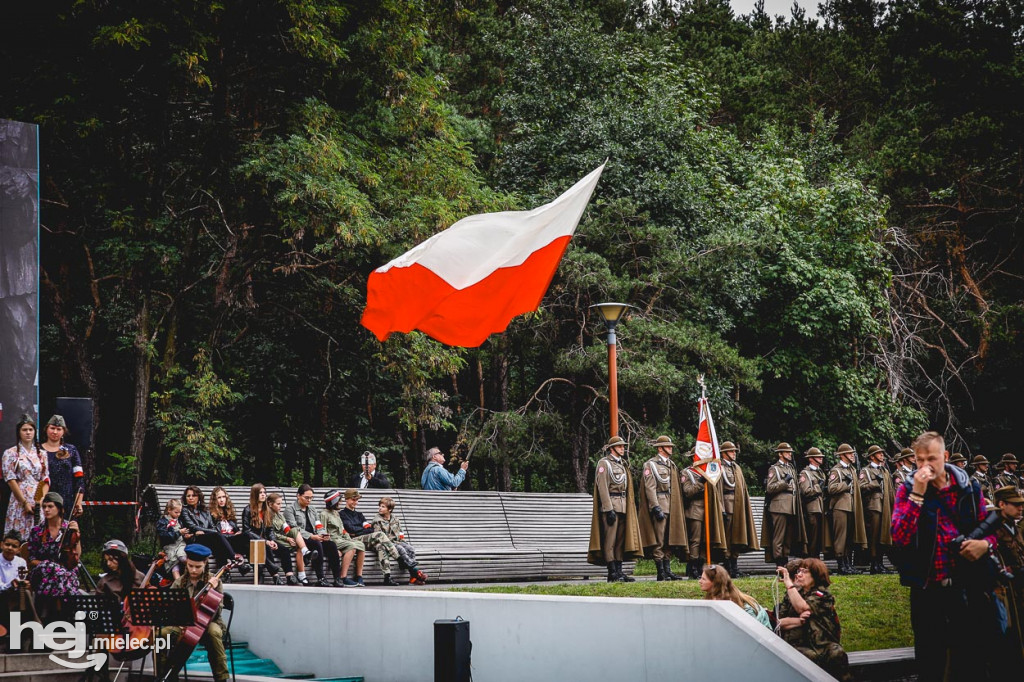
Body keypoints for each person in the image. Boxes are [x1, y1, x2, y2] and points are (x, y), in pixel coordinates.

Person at [890, 431, 997, 682]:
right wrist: (917, 493)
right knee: (930, 660)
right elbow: (900, 537)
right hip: (927, 587)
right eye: (919, 460)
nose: (925, 466)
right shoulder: (907, 490)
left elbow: (990, 529)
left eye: (932, 459)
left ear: (945, 456)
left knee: (970, 658)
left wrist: (985, 544)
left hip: (965, 586)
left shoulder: (969, 488)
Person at [159, 544, 229, 682]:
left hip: (209, 623)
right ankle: (166, 675)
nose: (193, 570)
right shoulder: (180, 582)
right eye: (190, 566)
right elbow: (171, 608)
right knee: (162, 635)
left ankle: (221, 678)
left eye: (198, 567)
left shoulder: (214, 581)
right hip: (184, 624)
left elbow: (217, 612)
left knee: (214, 633)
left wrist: (211, 591)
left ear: (205, 564)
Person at [776, 559, 852, 682]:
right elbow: (778, 623)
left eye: (804, 571)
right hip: (797, 644)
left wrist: (789, 585)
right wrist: (798, 621)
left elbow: (802, 607)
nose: (798, 574)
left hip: (822, 644)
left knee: (837, 653)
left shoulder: (822, 595)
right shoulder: (792, 594)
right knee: (806, 657)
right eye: (798, 571)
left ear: (816, 575)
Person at [586, 436, 642, 582]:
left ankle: (619, 570)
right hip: (611, 506)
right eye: (619, 446)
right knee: (610, 541)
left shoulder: (622, 464)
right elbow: (602, 487)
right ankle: (611, 572)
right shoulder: (604, 464)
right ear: (612, 449)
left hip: (622, 506)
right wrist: (608, 508)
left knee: (620, 541)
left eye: (623, 446)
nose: (623, 448)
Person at [25, 492, 80, 623]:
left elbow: (76, 555)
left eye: (50, 506)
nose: (46, 510)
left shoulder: (68, 528)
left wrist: (77, 534)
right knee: (54, 570)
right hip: (42, 570)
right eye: (44, 507)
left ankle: (51, 616)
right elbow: (31, 558)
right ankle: (61, 616)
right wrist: (49, 565)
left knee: (62, 574)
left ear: (60, 508)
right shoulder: (37, 530)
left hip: (64, 571)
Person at [637, 435, 685, 581]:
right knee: (659, 539)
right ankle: (660, 571)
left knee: (670, 539)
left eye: (670, 446)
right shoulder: (651, 465)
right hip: (661, 504)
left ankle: (668, 569)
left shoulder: (672, 465)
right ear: (660, 448)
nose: (670, 448)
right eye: (667, 446)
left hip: (673, 505)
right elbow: (649, 488)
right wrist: (655, 507)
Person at [179, 486, 251, 577]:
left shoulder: (205, 511)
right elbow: (192, 527)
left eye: (193, 495)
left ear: (198, 497)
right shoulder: (185, 510)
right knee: (216, 536)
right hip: (196, 539)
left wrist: (208, 532)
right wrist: (208, 532)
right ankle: (235, 560)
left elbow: (212, 526)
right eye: (188, 496)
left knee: (218, 542)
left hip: (209, 538)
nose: (190, 498)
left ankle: (225, 574)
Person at [338, 488, 401, 587]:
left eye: (357, 500)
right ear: (347, 499)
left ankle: (387, 577)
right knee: (380, 534)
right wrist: (359, 530)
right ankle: (400, 559)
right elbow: (350, 529)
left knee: (381, 546)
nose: (355, 502)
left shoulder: (360, 515)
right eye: (353, 499)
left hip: (364, 540)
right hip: (352, 541)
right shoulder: (342, 514)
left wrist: (357, 531)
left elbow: (370, 530)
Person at [681, 452, 727, 579]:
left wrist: (721, 509)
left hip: (708, 510)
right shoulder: (687, 473)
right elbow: (687, 491)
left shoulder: (708, 473)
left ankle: (702, 566)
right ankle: (693, 567)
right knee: (695, 541)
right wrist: (700, 482)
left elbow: (715, 493)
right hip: (694, 510)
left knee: (705, 540)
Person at [284, 484, 342, 587]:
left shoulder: (312, 509)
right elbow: (294, 527)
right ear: (298, 495)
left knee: (331, 545)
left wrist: (323, 534)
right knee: (316, 544)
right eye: (306, 497)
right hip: (301, 539)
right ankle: (321, 578)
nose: (309, 500)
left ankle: (337, 578)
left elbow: (318, 525)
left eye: (311, 498)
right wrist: (311, 536)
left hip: (314, 537)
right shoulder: (290, 509)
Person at [992, 485, 1024, 667]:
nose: (1020, 508)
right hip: (1006, 593)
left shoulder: (1014, 527)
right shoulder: (994, 531)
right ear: (1002, 504)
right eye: (1016, 504)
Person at [717, 441, 760, 577]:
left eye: (734, 451)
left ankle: (734, 566)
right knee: (728, 537)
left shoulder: (737, 468)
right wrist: (721, 508)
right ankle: (728, 566)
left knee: (737, 536)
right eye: (731, 451)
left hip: (738, 505)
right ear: (723, 453)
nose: (734, 453)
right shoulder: (718, 467)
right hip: (727, 504)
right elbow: (717, 490)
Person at [3, 414, 49, 540]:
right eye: (24, 430)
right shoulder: (11, 453)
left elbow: (44, 479)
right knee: (17, 537)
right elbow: (10, 480)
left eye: (31, 429)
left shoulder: (42, 454)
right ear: (19, 432)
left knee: (37, 536)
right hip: (19, 497)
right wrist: (24, 503)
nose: (28, 433)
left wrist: (39, 500)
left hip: (37, 496)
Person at [760, 442, 805, 569]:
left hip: (791, 505)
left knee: (788, 538)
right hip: (779, 506)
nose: (790, 454)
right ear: (780, 454)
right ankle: (779, 563)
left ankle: (785, 561)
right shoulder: (774, 469)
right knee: (779, 536)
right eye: (787, 452)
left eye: (790, 452)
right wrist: (784, 482)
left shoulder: (790, 468)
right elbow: (770, 488)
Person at [827, 443, 867, 575]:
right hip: (840, 507)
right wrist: (846, 484)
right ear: (843, 455)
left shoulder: (852, 470)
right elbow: (831, 489)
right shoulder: (836, 470)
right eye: (850, 453)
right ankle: (841, 565)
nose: (853, 455)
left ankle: (848, 564)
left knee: (849, 537)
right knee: (841, 537)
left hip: (851, 506)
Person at [373, 496, 428, 585]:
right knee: (401, 549)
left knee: (410, 549)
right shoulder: (377, 520)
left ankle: (413, 577)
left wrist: (403, 541)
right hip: (387, 544)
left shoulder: (395, 519)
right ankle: (416, 572)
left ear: (390, 509)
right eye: (380, 506)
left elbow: (400, 532)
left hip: (397, 541)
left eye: (383, 506)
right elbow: (378, 536)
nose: (380, 508)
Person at [698, 563, 771, 628]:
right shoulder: (712, 598)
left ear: (715, 582)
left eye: (703, 579)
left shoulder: (740, 606)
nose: (700, 581)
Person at [319, 489, 367, 587]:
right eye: (339, 501)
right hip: (333, 539)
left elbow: (342, 529)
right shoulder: (324, 514)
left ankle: (359, 576)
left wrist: (348, 537)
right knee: (352, 547)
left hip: (341, 539)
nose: (341, 502)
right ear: (333, 502)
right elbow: (322, 530)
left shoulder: (336, 513)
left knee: (361, 545)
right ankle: (343, 577)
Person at [267, 492, 316, 585]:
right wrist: (287, 539)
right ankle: (304, 557)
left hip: (284, 538)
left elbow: (287, 529)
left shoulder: (280, 515)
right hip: (275, 540)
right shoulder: (268, 516)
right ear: (270, 504)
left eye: (281, 503)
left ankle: (305, 553)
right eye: (278, 504)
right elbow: (272, 534)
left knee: (295, 531)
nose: (280, 506)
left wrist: (290, 537)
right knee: (295, 547)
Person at [240, 483, 286, 584]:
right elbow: (246, 531)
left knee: (267, 546)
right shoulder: (247, 510)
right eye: (260, 493)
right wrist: (265, 541)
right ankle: (275, 574)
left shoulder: (267, 511)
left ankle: (263, 575)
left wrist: (272, 541)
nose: (263, 495)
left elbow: (270, 530)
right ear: (255, 495)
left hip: (264, 542)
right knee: (261, 546)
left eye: (264, 492)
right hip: (249, 541)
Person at [859, 445, 894, 574]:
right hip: (873, 506)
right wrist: (874, 484)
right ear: (872, 456)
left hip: (885, 507)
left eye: (881, 453)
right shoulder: (866, 471)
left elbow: (890, 490)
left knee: (883, 536)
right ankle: (874, 563)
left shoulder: (884, 471)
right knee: (873, 536)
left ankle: (880, 563)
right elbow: (861, 487)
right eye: (878, 453)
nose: (881, 455)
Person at [39, 415, 84, 518]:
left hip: (66, 501)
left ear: (64, 431)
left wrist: (79, 502)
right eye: (52, 428)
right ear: (46, 429)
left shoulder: (71, 450)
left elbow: (79, 478)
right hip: (43, 501)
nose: (55, 432)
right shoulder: (37, 450)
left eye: (58, 429)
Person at [798, 447, 827, 559]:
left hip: (821, 507)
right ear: (811, 459)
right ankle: (811, 561)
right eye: (818, 457)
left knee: (819, 538)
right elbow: (805, 491)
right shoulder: (805, 474)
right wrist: (818, 488)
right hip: (812, 508)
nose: (821, 458)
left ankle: (815, 560)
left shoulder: (821, 473)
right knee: (812, 538)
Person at [157, 499, 187, 580]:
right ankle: (178, 585)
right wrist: (179, 532)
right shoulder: (163, 522)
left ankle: (193, 572)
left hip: (180, 544)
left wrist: (186, 535)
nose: (178, 514)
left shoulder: (180, 521)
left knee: (182, 557)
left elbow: (183, 534)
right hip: (170, 546)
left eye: (179, 512)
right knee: (174, 566)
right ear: (169, 510)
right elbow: (164, 536)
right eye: (176, 512)